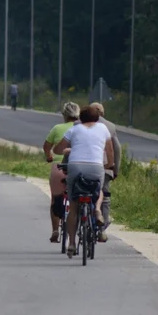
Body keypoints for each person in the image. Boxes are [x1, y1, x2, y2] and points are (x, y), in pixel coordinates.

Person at [52, 104, 115, 257]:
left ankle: (72, 244)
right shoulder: (103, 129)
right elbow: (110, 150)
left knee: (73, 207)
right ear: (97, 118)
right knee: (98, 190)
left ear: (81, 118)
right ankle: (98, 210)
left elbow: (57, 150)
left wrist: (68, 150)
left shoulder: (74, 129)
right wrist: (108, 165)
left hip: (76, 167)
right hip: (96, 167)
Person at [43, 102, 81, 243]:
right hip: (77, 166)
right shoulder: (81, 128)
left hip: (59, 167)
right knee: (76, 198)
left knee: (55, 198)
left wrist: (49, 157)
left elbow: (47, 146)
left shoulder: (57, 128)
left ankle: (55, 231)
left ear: (64, 115)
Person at [90, 102, 122, 243]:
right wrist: (115, 168)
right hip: (104, 167)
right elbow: (117, 149)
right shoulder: (110, 126)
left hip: (84, 166)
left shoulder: (80, 124)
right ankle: (102, 228)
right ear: (102, 113)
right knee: (105, 194)